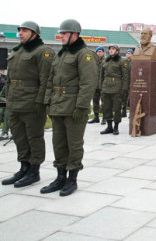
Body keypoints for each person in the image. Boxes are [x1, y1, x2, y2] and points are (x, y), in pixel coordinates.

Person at [41, 19, 97, 196]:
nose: (61, 36)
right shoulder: (61, 54)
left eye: (64, 33)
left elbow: (88, 83)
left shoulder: (84, 54)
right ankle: (60, 177)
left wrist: (81, 107)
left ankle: (72, 179)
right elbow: (51, 80)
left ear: (75, 34)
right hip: (58, 106)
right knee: (58, 144)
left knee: (74, 144)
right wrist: (47, 101)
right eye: (61, 33)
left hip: (74, 107)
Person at [1, 21, 54, 188]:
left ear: (35, 34)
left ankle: (34, 170)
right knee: (19, 136)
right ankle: (23, 167)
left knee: (34, 137)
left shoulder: (43, 52)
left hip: (32, 102)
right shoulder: (17, 51)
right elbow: (10, 80)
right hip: (15, 102)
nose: (21, 33)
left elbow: (46, 80)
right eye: (20, 30)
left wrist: (41, 102)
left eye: (25, 30)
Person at [100, 44, 128, 135]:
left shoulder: (121, 61)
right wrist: (101, 87)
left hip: (117, 88)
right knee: (106, 107)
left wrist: (124, 90)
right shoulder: (105, 61)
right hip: (106, 87)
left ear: (117, 51)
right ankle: (109, 127)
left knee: (116, 108)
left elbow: (126, 77)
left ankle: (116, 127)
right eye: (110, 49)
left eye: (113, 49)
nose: (111, 50)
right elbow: (101, 76)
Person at [88, 46, 105, 124]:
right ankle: (96, 117)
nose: (99, 53)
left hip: (103, 85)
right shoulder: (93, 61)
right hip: (95, 85)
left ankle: (105, 117)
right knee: (95, 101)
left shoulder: (105, 61)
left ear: (103, 52)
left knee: (104, 101)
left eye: (100, 51)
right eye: (97, 52)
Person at [121, 49, 133, 117]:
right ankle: (124, 111)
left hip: (132, 82)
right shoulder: (123, 62)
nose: (128, 54)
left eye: (129, 53)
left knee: (131, 98)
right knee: (124, 97)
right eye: (127, 53)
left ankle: (131, 112)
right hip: (125, 82)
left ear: (132, 54)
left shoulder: (134, 62)